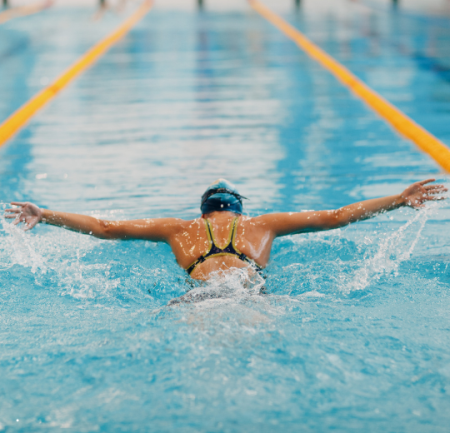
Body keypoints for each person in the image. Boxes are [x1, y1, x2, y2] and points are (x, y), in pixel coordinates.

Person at [4, 178, 447, 282]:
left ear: (204, 212)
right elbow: (336, 216)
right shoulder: (260, 225)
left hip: (196, 294)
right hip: (248, 288)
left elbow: (105, 227)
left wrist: (44, 214)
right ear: (237, 210)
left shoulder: (178, 230)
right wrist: (397, 200)